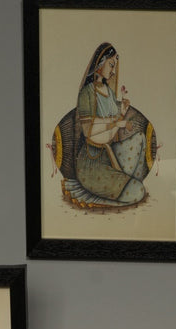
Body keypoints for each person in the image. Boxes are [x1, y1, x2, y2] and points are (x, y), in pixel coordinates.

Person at [60, 43, 154, 209]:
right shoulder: (87, 94)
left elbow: (111, 125)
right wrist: (118, 122)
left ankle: (120, 183)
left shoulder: (109, 92)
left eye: (114, 66)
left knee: (140, 138)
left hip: (107, 154)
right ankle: (97, 197)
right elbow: (91, 133)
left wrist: (122, 112)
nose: (113, 70)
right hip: (91, 164)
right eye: (111, 65)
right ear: (100, 64)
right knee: (139, 191)